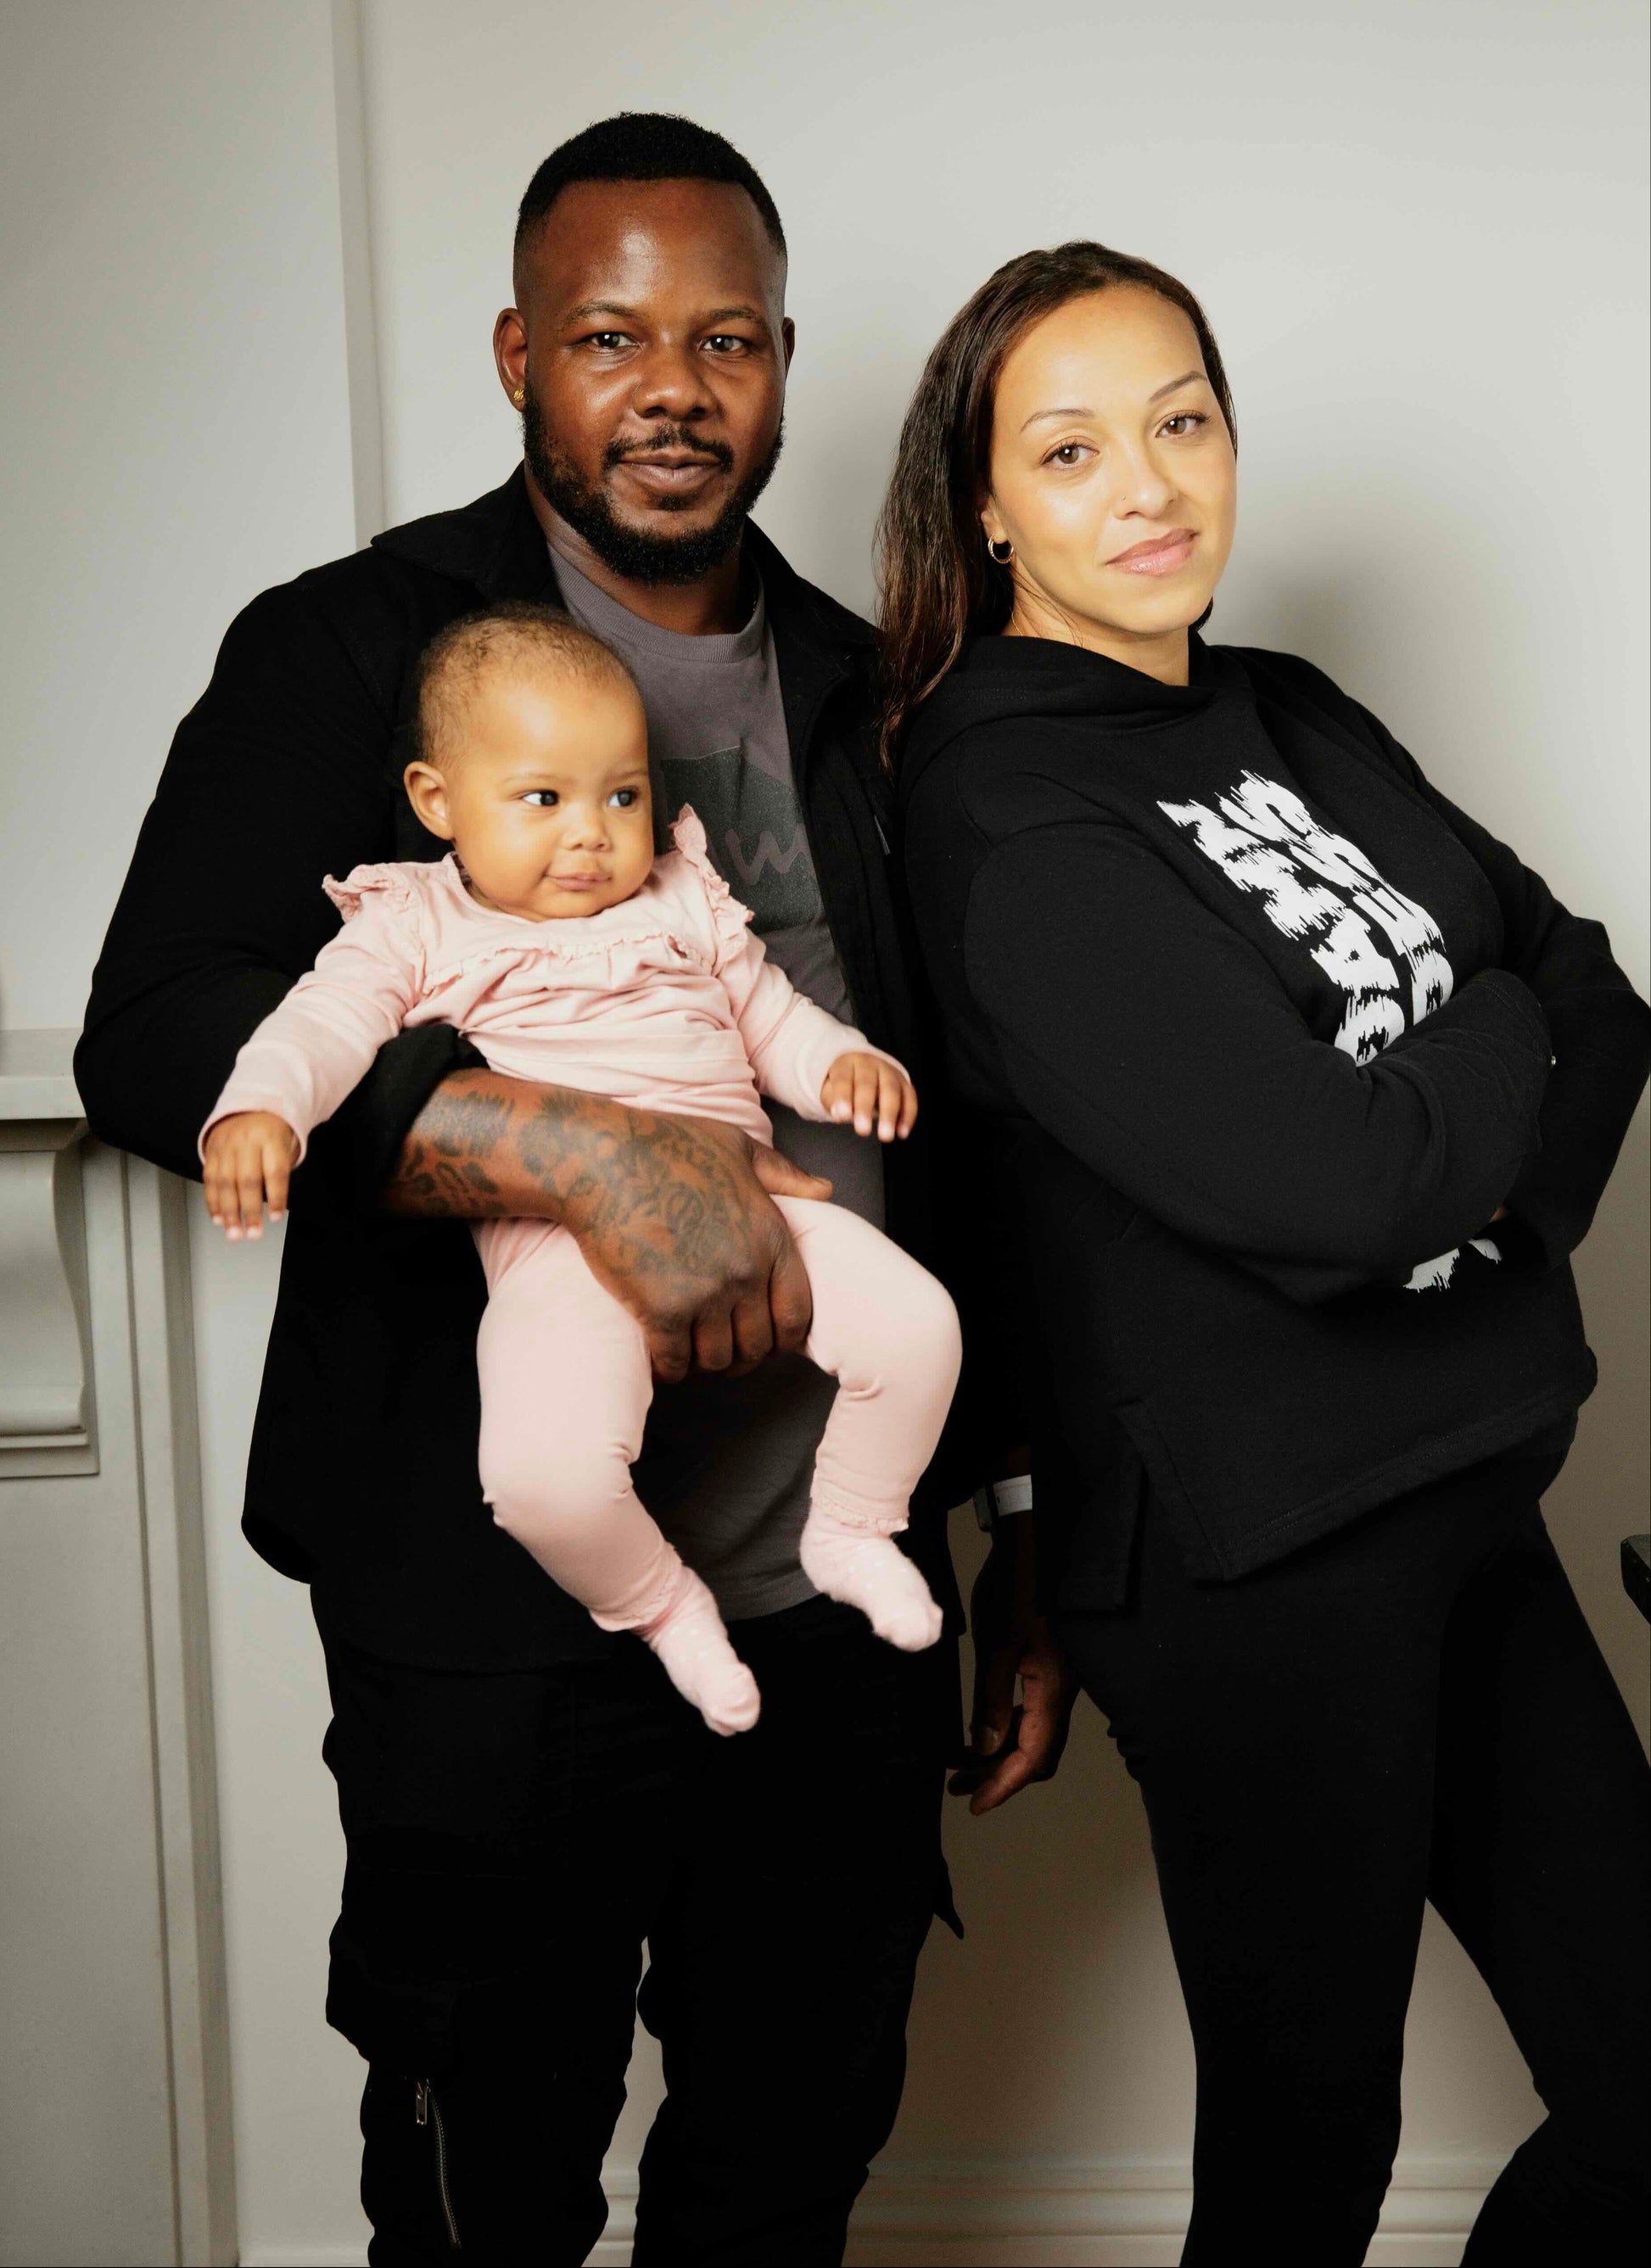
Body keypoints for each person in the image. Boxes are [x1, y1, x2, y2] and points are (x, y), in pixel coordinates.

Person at [76, 115, 993, 2267]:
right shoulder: (353, 650)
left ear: (783, 364)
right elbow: (166, 1026)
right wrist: (576, 1151)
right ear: (518, 355)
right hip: (496, 1606)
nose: (672, 388)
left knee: (783, 2166)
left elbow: (982, 1122)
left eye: (726, 339)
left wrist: (1015, 1519)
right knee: (487, 2186)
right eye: (608, 337)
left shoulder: (878, 689)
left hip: (831, 1617)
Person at [887, 239, 1651, 2266]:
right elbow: (1348, 1181)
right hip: (1256, 1556)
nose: (1147, 485)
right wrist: (1491, 1030)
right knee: (1308, 2160)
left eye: (1182, 421)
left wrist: (1489, 1183)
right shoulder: (1000, 804)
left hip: (1461, 1480)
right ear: (985, 502)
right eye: (1070, 448)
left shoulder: (1285, 706)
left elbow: (1605, 988)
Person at [200, 604, 958, 1729]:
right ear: (437, 801)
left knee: (919, 1329)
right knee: (542, 1479)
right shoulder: (413, 922)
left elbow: (770, 1015)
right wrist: (260, 1108)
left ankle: (852, 1527)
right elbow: (322, 1026)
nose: (593, 834)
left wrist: (843, 1064)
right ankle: (660, 1607)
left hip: (755, 1204)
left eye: (623, 795)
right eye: (542, 799)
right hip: (556, 1252)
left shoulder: (683, 896)